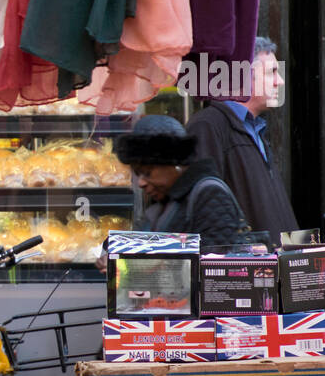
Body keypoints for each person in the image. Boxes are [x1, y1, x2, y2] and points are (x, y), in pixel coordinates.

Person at [186, 37, 299, 244]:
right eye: (272, 72)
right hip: (243, 271)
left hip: (274, 268)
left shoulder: (254, 128)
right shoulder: (208, 126)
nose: (279, 81)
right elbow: (204, 213)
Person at [114, 114, 250, 248]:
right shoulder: (165, 202)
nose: (141, 183)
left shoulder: (209, 194)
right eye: (138, 174)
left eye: (147, 173)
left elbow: (214, 260)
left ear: (175, 163)